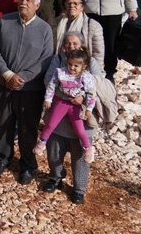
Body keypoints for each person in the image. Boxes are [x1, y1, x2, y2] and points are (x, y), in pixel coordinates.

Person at [0, 0, 54, 184]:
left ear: (37, 4)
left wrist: (23, 77)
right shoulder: (5, 21)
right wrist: (8, 74)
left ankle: (27, 165)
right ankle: (3, 158)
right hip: (4, 84)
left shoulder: (45, 29)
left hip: (30, 90)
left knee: (28, 128)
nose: (23, 2)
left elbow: (45, 60)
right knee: (4, 123)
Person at [42, 32, 101, 205]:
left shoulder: (91, 62)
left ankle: (79, 188)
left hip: (81, 118)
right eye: (67, 44)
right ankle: (55, 177)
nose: (71, 47)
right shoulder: (58, 60)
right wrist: (68, 95)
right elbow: (48, 81)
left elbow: (99, 83)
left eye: (74, 43)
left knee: (79, 157)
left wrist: (83, 96)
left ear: (82, 45)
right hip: (59, 116)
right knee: (54, 151)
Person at [35, 48, 96, 163]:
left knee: (79, 129)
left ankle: (88, 148)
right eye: (70, 64)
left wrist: (89, 108)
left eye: (76, 66)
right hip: (61, 101)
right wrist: (48, 99)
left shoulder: (86, 77)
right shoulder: (61, 72)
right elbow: (52, 85)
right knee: (51, 124)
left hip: (75, 105)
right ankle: (42, 141)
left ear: (84, 66)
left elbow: (91, 93)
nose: (72, 68)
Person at [54, 0, 105, 68]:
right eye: (69, 3)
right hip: (58, 64)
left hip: (83, 69)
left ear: (82, 7)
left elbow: (98, 53)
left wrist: (98, 72)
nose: (72, 6)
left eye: (75, 3)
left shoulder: (92, 26)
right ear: (65, 5)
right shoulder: (56, 22)